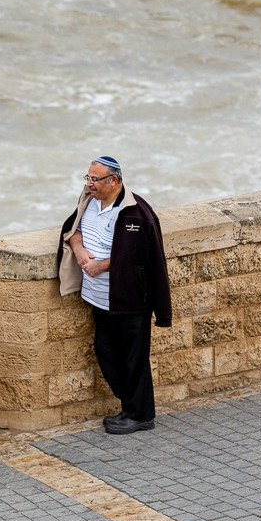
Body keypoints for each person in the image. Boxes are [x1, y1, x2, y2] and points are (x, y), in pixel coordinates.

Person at [57, 156, 172, 434]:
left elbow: (143, 257)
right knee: (105, 351)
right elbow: (71, 230)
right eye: (87, 178)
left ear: (114, 181)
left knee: (135, 358)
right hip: (99, 300)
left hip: (130, 301)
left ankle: (140, 414)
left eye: (95, 179)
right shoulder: (88, 202)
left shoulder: (136, 213)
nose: (89, 184)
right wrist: (81, 250)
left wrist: (102, 264)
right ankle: (132, 406)